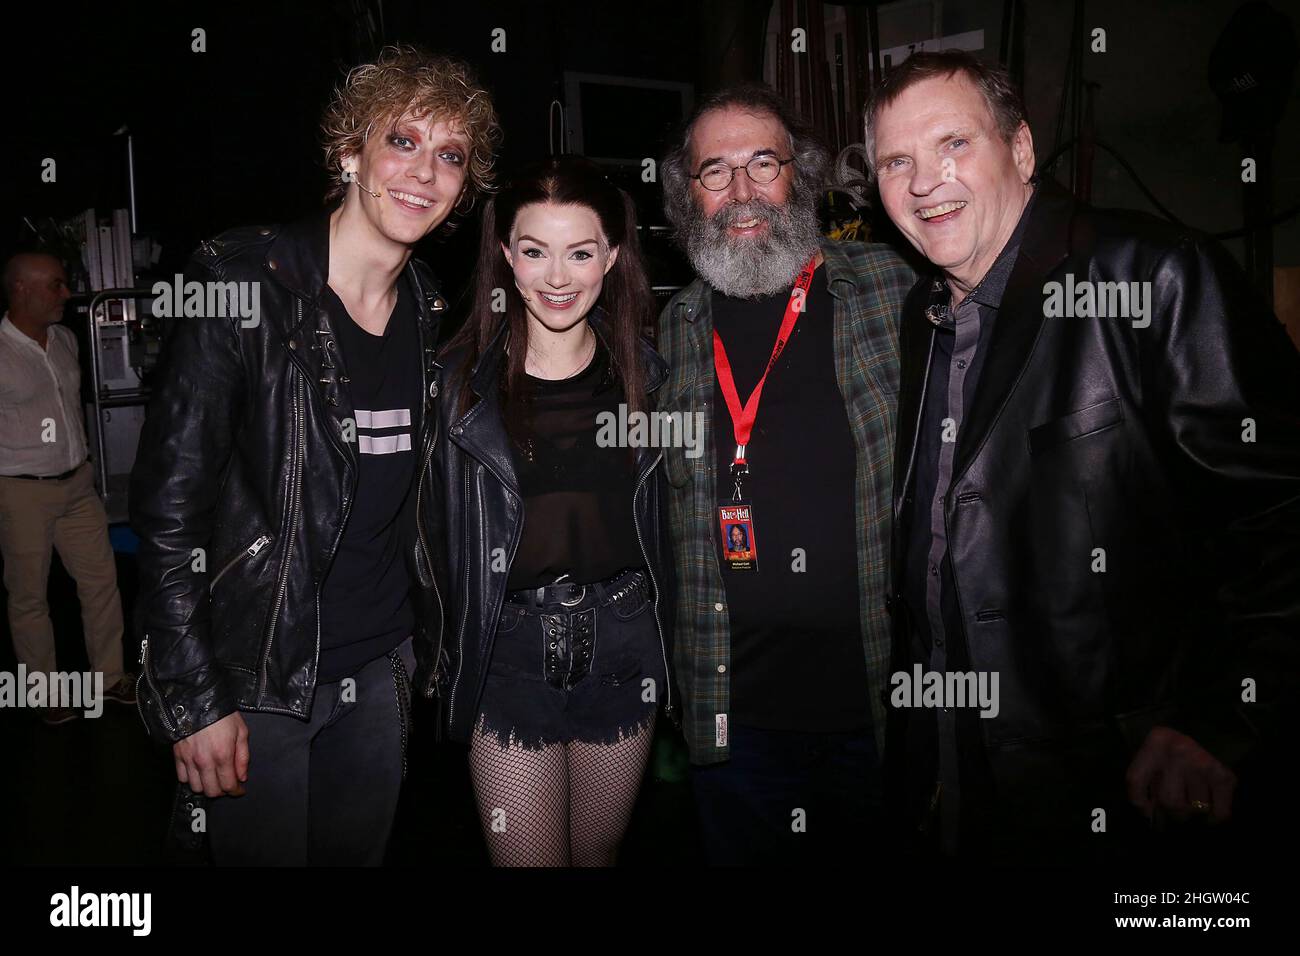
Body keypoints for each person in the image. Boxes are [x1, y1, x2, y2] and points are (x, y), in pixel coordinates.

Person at [867, 50, 1300, 862]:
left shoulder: (1155, 278)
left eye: (954, 144)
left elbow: (1280, 514)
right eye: (898, 160)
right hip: (956, 769)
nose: (925, 181)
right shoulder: (922, 317)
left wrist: (1221, 723)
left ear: (1022, 151)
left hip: (1116, 782)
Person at [129, 44, 500, 865]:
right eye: (401, 141)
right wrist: (192, 698)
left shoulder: (428, 307)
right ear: (348, 155)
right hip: (257, 677)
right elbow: (167, 509)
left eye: (450, 156)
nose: (424, 173)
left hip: (377, 673)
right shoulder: (241, 280)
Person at [657, 83, 917, 864]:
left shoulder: (893, 286)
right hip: (734, 719)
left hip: (882, 709)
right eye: (715, 171)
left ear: (798, 176)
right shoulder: (673, 327)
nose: (741, 190)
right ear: (688, 195)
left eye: (762, 163)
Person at [431, 155, 673, 866]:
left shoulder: (653, 379)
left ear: (614, 255)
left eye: (580, 252)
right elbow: (425, 538)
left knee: (597, 855)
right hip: (503, 655)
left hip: (625, 646)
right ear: (506, 255)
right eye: (535, 251)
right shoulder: (453, 386)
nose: (558, 277)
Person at [0, 252, 134, 726]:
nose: (67, 294)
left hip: (77, 482)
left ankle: (108, 678)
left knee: (101, 581)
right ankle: (42, 691)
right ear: (21, 289)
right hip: (20, 490)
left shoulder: (65, 340)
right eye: (55, 285)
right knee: (30, 596)